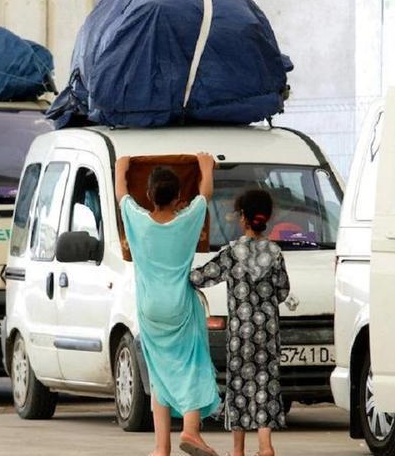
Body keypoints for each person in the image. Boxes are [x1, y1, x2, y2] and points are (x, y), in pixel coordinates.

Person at [117, 153, 221, 456]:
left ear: (149, 195)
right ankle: (191, 431)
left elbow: (121, 193)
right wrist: (204, 166)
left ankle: (161, 447)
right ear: (178, 197)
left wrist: (122, 166)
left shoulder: (137, 220)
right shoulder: (187, 222)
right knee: (192, 366)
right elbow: (205, 193)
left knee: (159, 370)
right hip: (180, 306)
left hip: (149, 309)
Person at [190, 189, 291, 456]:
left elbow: (201, 277)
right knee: (265, 383)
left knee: (239, 385)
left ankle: (238, 450)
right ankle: (266, 446)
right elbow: (283, 291)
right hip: (268, 332)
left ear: (243, 218)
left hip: (239, 334)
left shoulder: (232, 253)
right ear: (266, 217)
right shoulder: (276, 252)